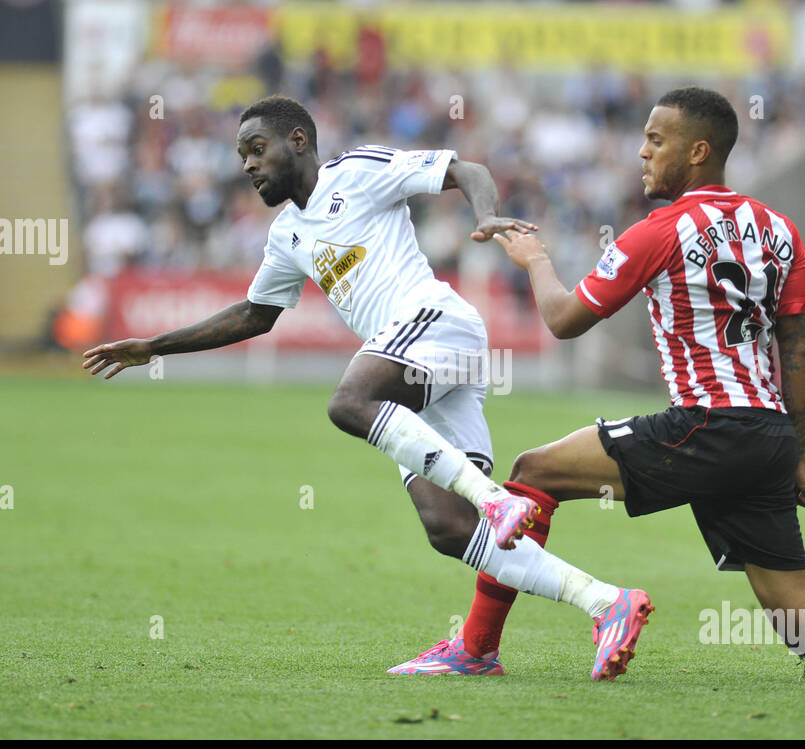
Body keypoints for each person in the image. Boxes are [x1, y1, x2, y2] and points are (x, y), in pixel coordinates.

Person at [394, 87, 805, 692]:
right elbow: (798, 351)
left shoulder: (659, 231)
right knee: (798, 619)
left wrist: (536, 261)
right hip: (768, 436)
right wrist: (801, 457)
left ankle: (476, 648)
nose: (642, 152)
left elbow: (563, 321)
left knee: (533, 473)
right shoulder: (780, 230)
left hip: (706, 422)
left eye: (655, 139)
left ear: (698, 150)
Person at [82, 95, 653, 681]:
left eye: (257, 149)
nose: (248, 166)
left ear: (298, 141)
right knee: (449, 528)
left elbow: (466, 170)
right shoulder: (286, 236)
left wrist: (484, 215)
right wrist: (153, 347)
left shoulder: (355, 172)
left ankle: (495, 498)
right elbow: (255, 315)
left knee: (350, 403)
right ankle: (603, 603)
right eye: (241, 157)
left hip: (436, 322)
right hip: (420, 365)